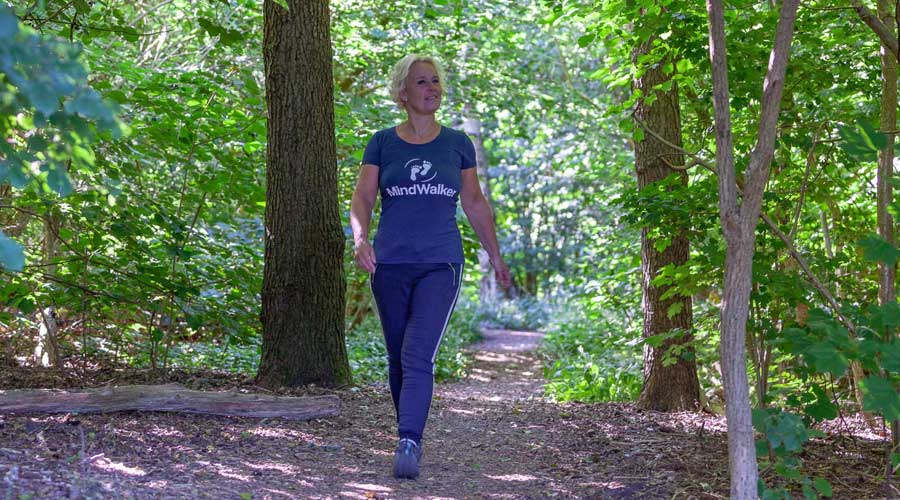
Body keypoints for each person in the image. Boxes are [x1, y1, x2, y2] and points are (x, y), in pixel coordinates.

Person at [350, 54, 511, 480]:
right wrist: (361, 238)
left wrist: (495, 256)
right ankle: (407, 431)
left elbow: (475, 203)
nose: (432, 88)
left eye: (435, 81)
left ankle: (409, 440)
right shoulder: (383, 142)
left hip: (441, 262)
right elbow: (363, 197)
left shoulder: (457, 143)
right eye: (422, 82)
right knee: (398, 357)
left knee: (418, 353)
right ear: (403, 92)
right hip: (390, 263)